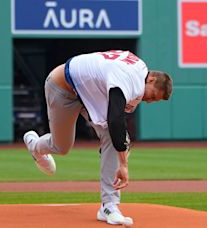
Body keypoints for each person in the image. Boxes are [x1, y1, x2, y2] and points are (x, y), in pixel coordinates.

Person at [23, 50, 173, 226]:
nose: (149, 101)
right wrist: (123, 164)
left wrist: (119, 152)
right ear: (151, 80)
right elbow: (116, 119)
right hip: (63, 87)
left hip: (89, 93)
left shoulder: (139, 72)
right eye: (153, 96)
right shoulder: (130, 79)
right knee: (61, 147)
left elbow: (116, 126)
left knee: (113, 137)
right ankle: (35, 145)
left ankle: (109, 206)